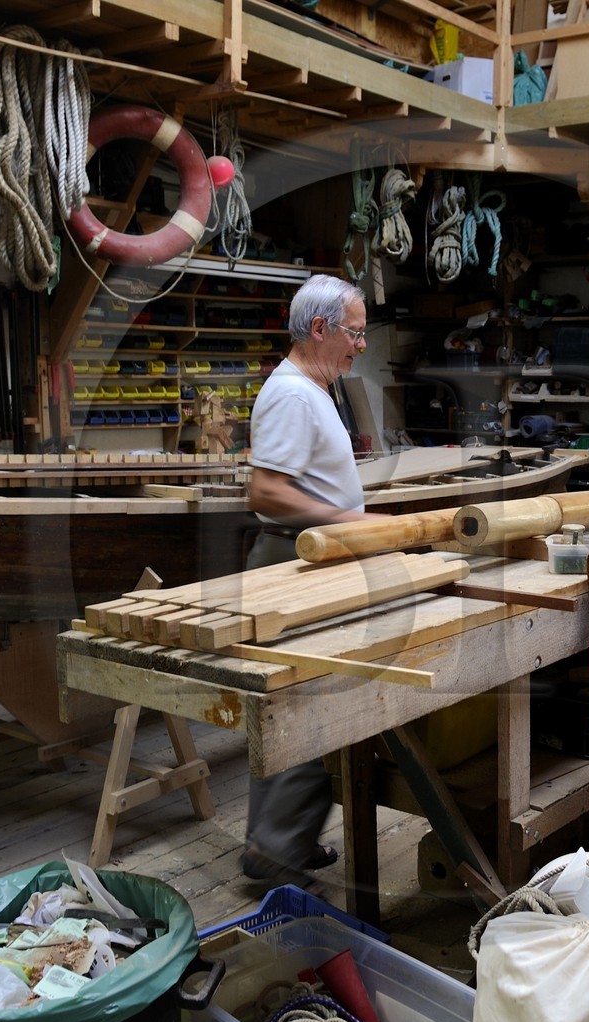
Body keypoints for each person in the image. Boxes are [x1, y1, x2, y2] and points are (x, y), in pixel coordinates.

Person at [240, 273, 377, 889]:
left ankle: (280, 843)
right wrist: (349, 520)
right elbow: (265, 491)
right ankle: (274, 854)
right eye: (354, 333)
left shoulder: (314, 389)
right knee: (301, 706)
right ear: (319, 328)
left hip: (311, 561)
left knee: (293, 706)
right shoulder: (293, 394)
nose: (361, 346)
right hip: (291, 565)